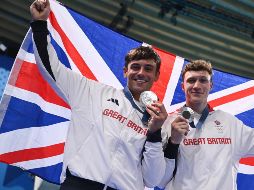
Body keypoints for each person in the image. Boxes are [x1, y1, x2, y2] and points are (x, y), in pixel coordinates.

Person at [30, 0, 168, 190]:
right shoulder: (92, 91)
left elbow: (152, 179)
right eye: (135, 67)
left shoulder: (158, 119)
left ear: (156, 76)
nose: (141, 73)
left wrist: (154, 133)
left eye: (148, 69)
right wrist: (39, 25)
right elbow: (51, 67)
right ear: (125, 71)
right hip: (79, 184)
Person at [158, 60, 254, 190]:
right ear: (182, 86)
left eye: (203, 80)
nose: (197, 86)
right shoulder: (168, 123)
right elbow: (159, 180)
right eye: (191, 80)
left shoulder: (229, 123)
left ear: (211, 85)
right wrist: (172, 143)